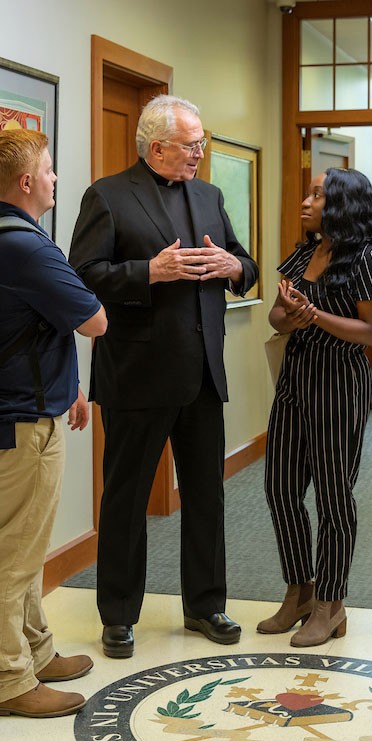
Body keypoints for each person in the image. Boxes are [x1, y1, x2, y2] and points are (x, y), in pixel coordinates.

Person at [69, 95, 258, 659]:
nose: (200, 153)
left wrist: (233, 268)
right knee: (126, 498)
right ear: (156, 147)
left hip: (203, 373)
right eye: (190, 144)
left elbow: (245, 263)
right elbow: (83, 276)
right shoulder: (107, 195)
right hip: (138, 372)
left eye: (201, 142)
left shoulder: (209, 195)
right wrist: (147, 272)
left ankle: (206, 604)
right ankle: (119, 614)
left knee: (206, 495)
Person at [0, 128, 107, 717]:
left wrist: (71, 385)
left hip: (24, 413)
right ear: (26, 181)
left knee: (23, 549)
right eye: (49, 171)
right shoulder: (25, 247)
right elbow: (93, 320)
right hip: (21, 425)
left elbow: (38, 327)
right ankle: (8, 681)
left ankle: (36, 651)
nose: (56, 179)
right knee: (12, 557)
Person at [259, 167, 372, 647]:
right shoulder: (304, 252)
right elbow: (275, 314)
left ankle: (332, 606)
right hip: (294, 377)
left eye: (317, 194)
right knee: (281, 488)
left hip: (338, 381)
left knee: (334, 496)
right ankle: (301, 591)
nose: (306, 202)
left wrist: (316, 316)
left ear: (343, 203)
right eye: (308, 192)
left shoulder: (366, 259)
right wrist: (290, 317)